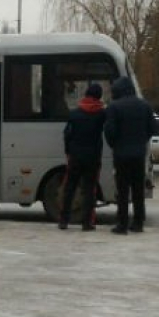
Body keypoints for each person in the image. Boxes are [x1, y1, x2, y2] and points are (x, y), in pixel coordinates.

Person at [103, 76, 157, 234]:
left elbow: (110, 131)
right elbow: (152, 128)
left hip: (121, 154)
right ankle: (138, 222)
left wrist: (115, 144)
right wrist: (141, 141)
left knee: (122, 190)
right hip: (139, 154)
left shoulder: (114, 107)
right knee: (138, 190)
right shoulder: (144, 105)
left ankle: (122, 224)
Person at [58, 83, 106, 231]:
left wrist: (68, 152)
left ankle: (64, 220)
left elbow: (67, 134)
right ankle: (87, 223)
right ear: (99, 96)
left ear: (86, 95)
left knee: (70, 188)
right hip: (92, 157)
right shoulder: (102, 114)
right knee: (89, 189)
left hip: (75, 156)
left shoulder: (74, 114)